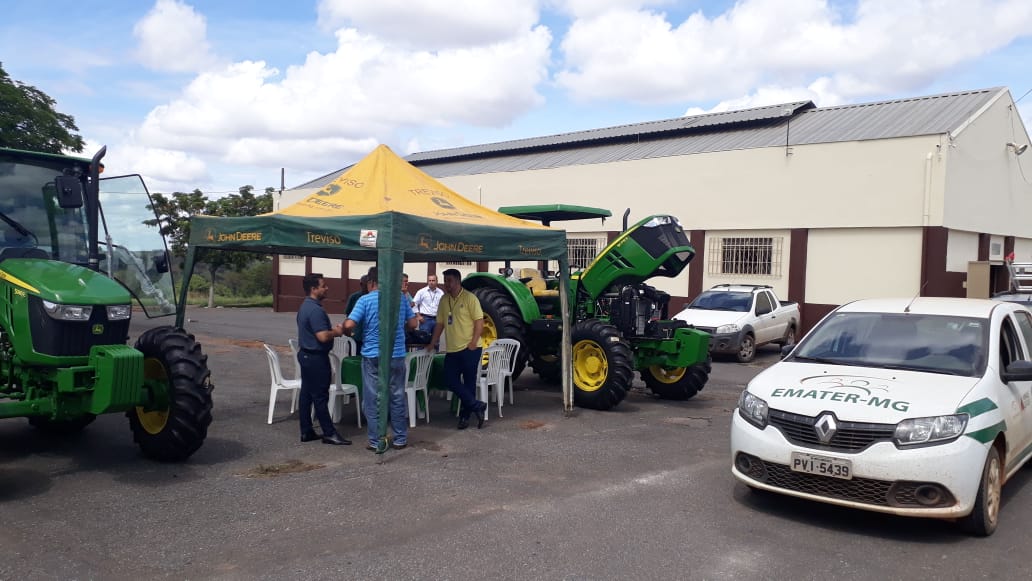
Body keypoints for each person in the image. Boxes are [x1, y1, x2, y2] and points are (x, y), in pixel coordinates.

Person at [344, 266, 418, 452]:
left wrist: (344, 328)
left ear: (371, 283)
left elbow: (350, 324)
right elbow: (412, 324)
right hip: (397, 354)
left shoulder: (364, 300)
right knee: (397, 396)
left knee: (372, 398)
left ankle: (377, 440)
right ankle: (400, 438)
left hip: (372, 355)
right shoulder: (400, 299)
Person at [295, 273, 351, 446]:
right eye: (323, 285)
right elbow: (322, 336)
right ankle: (329, 432)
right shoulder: (315, 310)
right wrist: (337, 332)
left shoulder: (305, 306)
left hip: (306, 355)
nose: (326, 288)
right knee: (320, 396)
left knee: (306, 394)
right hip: (316, 358)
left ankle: (306, 430)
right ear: (314, 289)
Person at [427, 268, 486, 430]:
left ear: (458, 281)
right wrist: (433, 342)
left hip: (470, 348)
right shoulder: (444, 300)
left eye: (450, 281)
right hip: (452, 350)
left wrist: (474, 342)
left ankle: (465, 417)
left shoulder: (470, 298)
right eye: (445, 281)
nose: (447, 284)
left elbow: (479, 322)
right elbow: (440, 323)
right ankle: (477, 405)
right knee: (449, 380)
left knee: (469, 383)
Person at [412, 273, 444, 338]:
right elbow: (414, 304)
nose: (431, 282)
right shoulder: (421, 292)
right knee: (423, 340)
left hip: (437, 320)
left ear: (437, 281)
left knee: (436, 341)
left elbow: (443, 307)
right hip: (425, 319)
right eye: (430, 280)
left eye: (433, 280)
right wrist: (418, 316)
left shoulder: (441, 293)